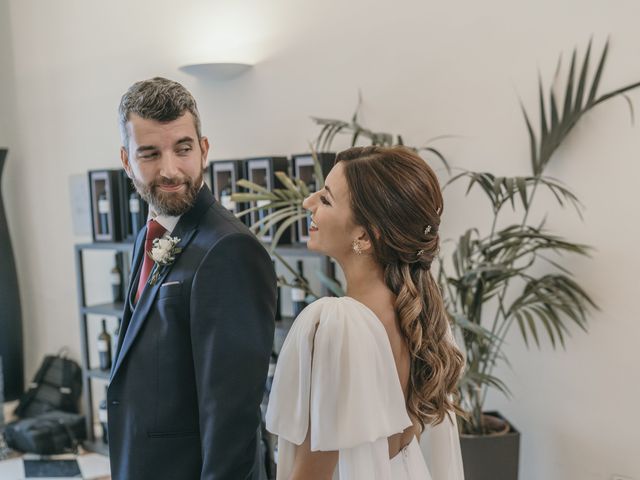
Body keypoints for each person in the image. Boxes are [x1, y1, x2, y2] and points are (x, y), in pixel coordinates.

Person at [108, 77, 277, 480]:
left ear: (203, 150)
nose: (170, 170)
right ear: (127, 161)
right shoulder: (149, 233)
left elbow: (232, 420)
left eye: (182, 149)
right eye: (149, 153)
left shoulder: (229, 249)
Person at [266, 146, 466, 479]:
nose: (307, 203)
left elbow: (310, 473)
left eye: (326, 200)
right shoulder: (417, 313)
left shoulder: (339, 325)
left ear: (364, 235)